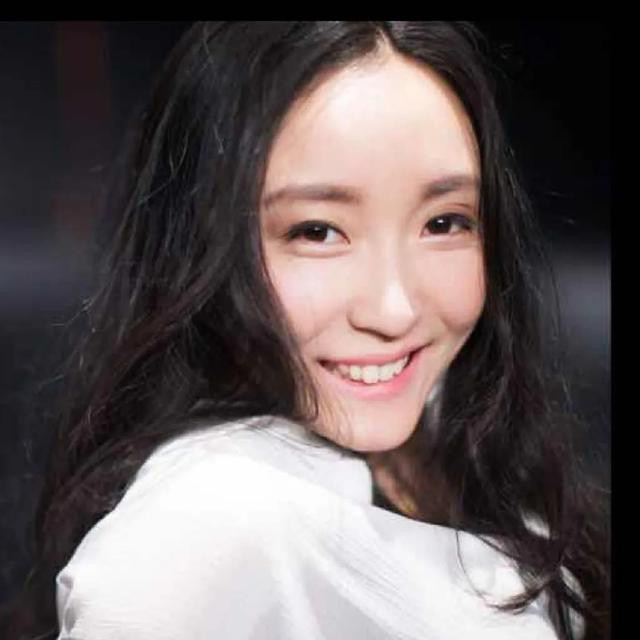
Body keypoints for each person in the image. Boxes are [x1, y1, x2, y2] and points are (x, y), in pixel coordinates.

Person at [1, 21, 609, 640]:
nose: (394, 309)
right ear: (201, 246)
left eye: (444, 222)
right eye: (317, 232)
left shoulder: (455, 442)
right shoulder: (207, 519)